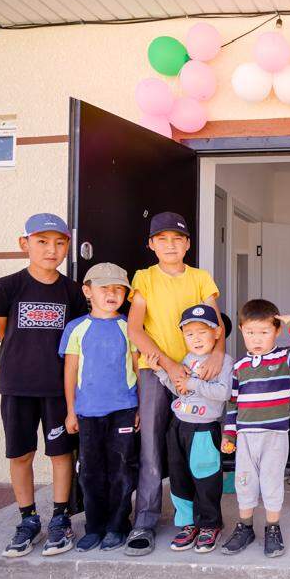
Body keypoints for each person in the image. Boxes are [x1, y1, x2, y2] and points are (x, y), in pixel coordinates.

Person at [0, 213, 88, 558]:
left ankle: (60, 518)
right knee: (20, 453)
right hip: (17, 386)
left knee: (61, 453)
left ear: (67, 247)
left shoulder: (72, 291)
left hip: (58, 388)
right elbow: (1, 331)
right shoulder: (6, 286)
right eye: (42, 242)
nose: (51, 250)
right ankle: (28, 519)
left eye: (59, 243)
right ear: (24, 244)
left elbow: (76, 342)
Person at [125, 212, 226, 556]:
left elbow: (216, 324)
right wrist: (169, 364)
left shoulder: (200, 277)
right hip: (156, 370)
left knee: (197, 447)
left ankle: (203, 519)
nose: (170, 245)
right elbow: (135, 329)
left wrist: (217, 355)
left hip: (197, 371)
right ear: (151, 244)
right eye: (162, 239)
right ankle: (145, 520)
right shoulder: (144, 278)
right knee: (152, 445)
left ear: (188, 244)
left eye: (177, 239)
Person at [220, 300, 290, 558]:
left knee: (271, 482)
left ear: (276, 331)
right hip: (245, 437)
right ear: (242, 330)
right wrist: (229, 434)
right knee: (244, 482)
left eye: (264, 332)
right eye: (250, 332)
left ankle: (272, 527)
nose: (257, 338)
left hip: (274, 435)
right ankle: (245, 527)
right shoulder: (239, 367)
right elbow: (233, 403)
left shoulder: (285, 358)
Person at [59, 263, 139, 553]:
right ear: (87, 291)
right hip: (88, 412)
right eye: (104, 288)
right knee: (90, 471)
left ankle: (118, 525)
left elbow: (137, 367)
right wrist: (71, 410)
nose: (111, 294)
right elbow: (70, 371)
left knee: (122, 469)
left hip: (124, 409)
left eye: (118, 289)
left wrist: (140, 407)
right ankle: (94, 527)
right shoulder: (76, 328)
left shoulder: (129, 327)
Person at [144, 304, 234, 554]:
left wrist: (192, 382)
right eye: (190, 334)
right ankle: (187, 523)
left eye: (202, 332)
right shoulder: (186, 359)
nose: (196, 338)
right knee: (179, 478)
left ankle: (210, 524)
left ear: (217, 333)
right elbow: (179, 389)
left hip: (204, 429)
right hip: (179, 427)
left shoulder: (224, 361)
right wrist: (162, 373)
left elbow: (223, 392)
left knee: (206, 478)